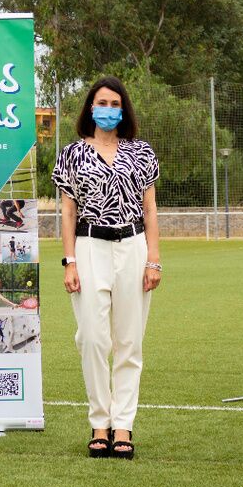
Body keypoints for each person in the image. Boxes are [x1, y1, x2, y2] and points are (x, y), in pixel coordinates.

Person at [52, 76, 161, 459]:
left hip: (132, 246)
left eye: (116, 103)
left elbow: (150, 210)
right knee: (93, 338)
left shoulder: (142, 152)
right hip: (88, 246)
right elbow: (67, 212)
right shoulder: (71, 154)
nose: (109, 110)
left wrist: (153, 259)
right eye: (102, 102)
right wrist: (69, 262)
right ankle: (99, 420)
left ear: (124, 109)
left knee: (129, 341)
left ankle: (123, 425)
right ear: (90, 107)